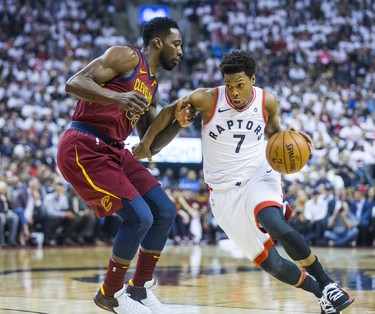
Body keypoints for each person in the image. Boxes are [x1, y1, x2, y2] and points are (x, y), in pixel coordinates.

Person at [132, 50, 354, 313]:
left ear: (252, 79)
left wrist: (292, 137)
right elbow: (170, 111)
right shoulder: (207, 98)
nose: (234, 92)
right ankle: (321, 295)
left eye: (240, 84)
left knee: (273, 221)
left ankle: (328, 284)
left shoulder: (267, 101)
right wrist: (145, 143)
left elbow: (274, 135)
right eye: (229, 85)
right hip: (223, 193)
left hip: (257, 174)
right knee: (272, 263)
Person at [57, 17, 194, 314]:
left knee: (165, 211)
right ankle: (110, 293)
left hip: (116, 150)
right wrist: (116, 97)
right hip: (84, 145)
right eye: (177, 43)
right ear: (158, 42)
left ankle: (140, 290)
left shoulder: (151, 83)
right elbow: (74, 83)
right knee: (139, 217)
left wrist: (176, 123)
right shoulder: (127, 56)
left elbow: (148, 145)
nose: (181, 51)